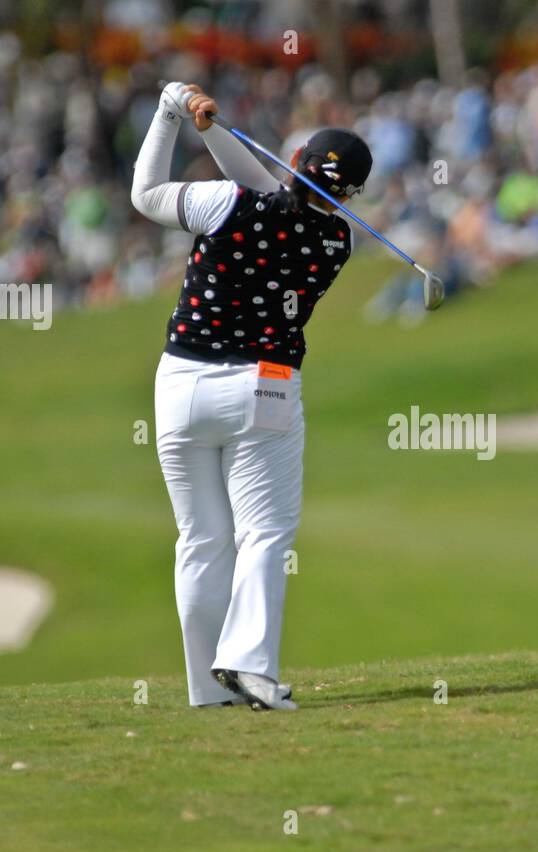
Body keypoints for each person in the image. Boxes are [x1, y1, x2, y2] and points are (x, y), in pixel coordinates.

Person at [130, 82, 373, 710]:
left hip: (181, 385)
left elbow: (145, 195)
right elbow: (282, 195)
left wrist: (170, 114)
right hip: (264, 387)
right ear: (349, 194)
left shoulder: (224, 204)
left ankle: (206, 692)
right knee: (263, 534)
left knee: (201, 539)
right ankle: (249, 665)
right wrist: (212, 130)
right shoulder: (336, 241)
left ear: (295, 162)